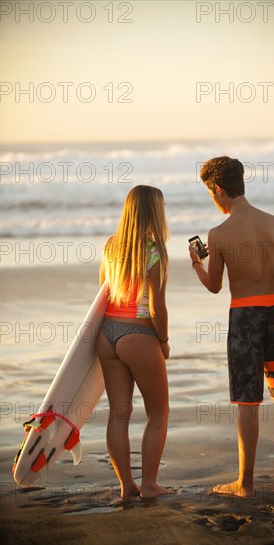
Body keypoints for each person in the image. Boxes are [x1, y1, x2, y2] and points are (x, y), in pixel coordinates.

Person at [189, 156, 274, 497]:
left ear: (218, 189)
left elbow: (214, 285)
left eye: (211, 194)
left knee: (248, 402)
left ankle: (246, 484)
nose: (213, 200)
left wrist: (198, 263)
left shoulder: (219, 234)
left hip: (245, 321)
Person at [97, 185, 170, 499]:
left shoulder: (111, 246)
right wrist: (164, 341)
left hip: (106, 334)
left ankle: (127, 487)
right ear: (155, 212)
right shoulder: (154, 251)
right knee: (159, 412)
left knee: (118, 414)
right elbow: (156, 307)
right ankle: (150, 486)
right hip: (138, 336)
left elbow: (103, 293)